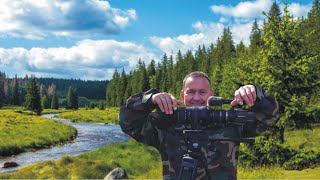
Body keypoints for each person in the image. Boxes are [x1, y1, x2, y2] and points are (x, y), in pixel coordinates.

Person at [119, 71, 279, 180]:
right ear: (182, 95)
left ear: (211, 94)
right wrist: (150, 99)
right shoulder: (167, 124)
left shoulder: (229, 122)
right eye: (191, 92)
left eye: (202, 92)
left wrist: (256, 94)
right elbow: (128, 122)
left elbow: (270, 117)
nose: (196, 97)